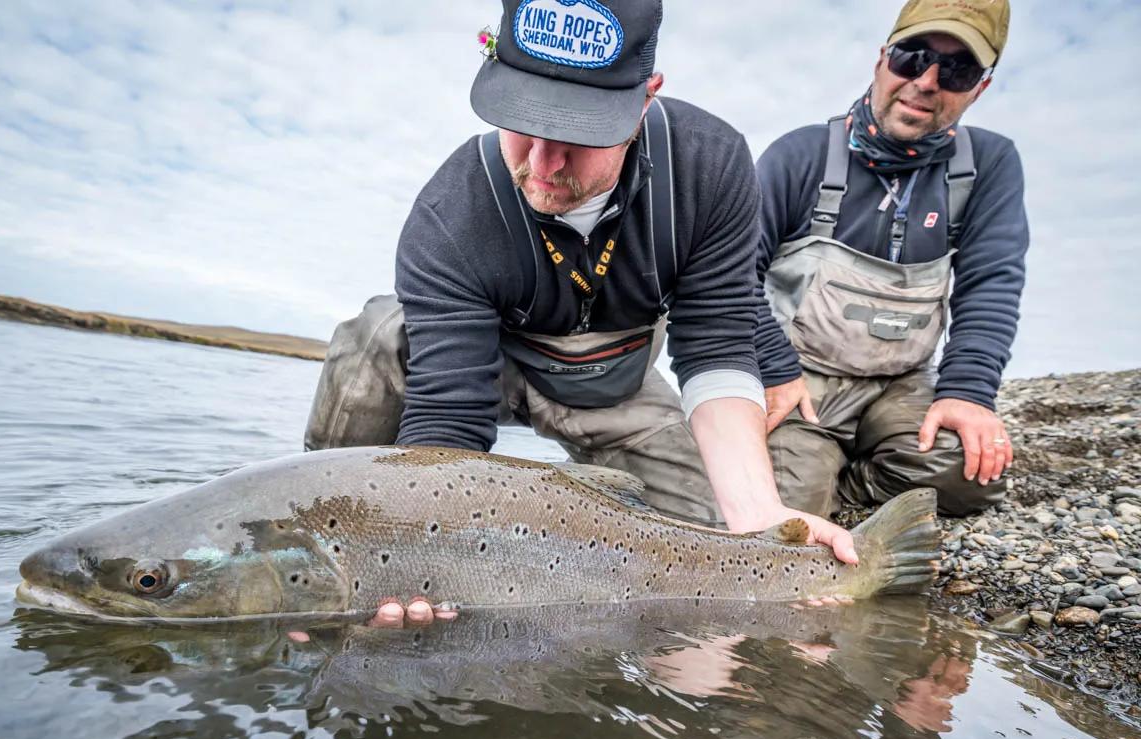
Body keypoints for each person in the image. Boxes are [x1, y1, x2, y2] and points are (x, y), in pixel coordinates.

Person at [304, 0, 856, 625]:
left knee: (715, 552)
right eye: (522, 120)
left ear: (646, 99)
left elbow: (716, 343)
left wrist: (758, 515)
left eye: (578, 129)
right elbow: (449, 415)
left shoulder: (710, 165)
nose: (542, 163)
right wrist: (410, 554)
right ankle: (322, 533)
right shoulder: (450, 212)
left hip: (613, 382)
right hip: (488, 366)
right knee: (380, 330)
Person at [756, 0, 1027, 518]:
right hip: (799, 378)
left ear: (981, 87)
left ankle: (847, 485)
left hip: (899, 383)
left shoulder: (988, 165)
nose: (926, 81)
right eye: (911, 57)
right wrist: (772, 368)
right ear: (882, 59)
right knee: (783, 513)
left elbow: (991, 284)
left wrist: (968, 393)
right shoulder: (801, 154)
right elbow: (728, 275)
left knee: (968, 477)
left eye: (957, 69)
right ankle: (815, 466)